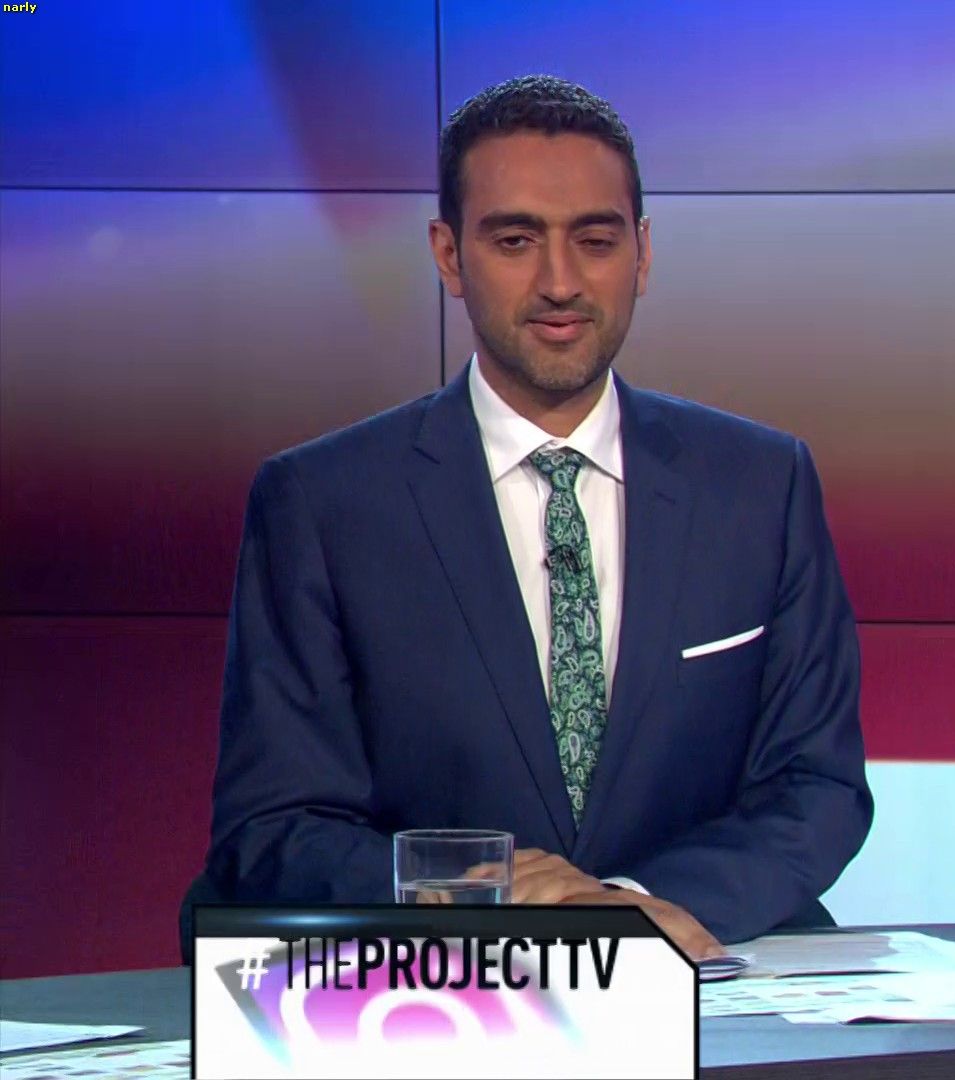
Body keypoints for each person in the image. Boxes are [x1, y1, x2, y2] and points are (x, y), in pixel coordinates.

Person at [202, 76, 872, 957]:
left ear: (642, 253)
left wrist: (627, 910)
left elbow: (817, 787)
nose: (560, 282)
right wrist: (482, 891)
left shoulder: (760, 485)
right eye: (515, 240)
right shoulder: (325, 504)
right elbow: (275, 828)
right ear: (449, 255)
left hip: (704, 979)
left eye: (595, 240)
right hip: (443, 996)